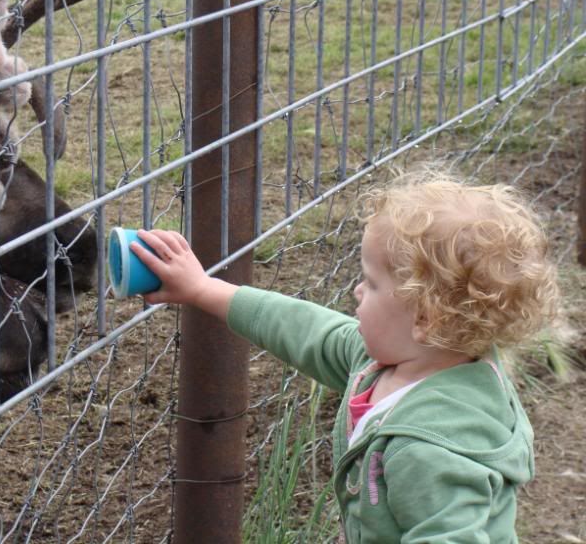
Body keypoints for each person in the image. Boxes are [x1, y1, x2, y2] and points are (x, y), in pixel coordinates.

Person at [129, 170, 559, 543]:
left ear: (425, 318)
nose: (356, 291)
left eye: (370, 284)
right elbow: (302, 327)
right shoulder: (391, 362)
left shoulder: (430, 450)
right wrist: (202, 289)